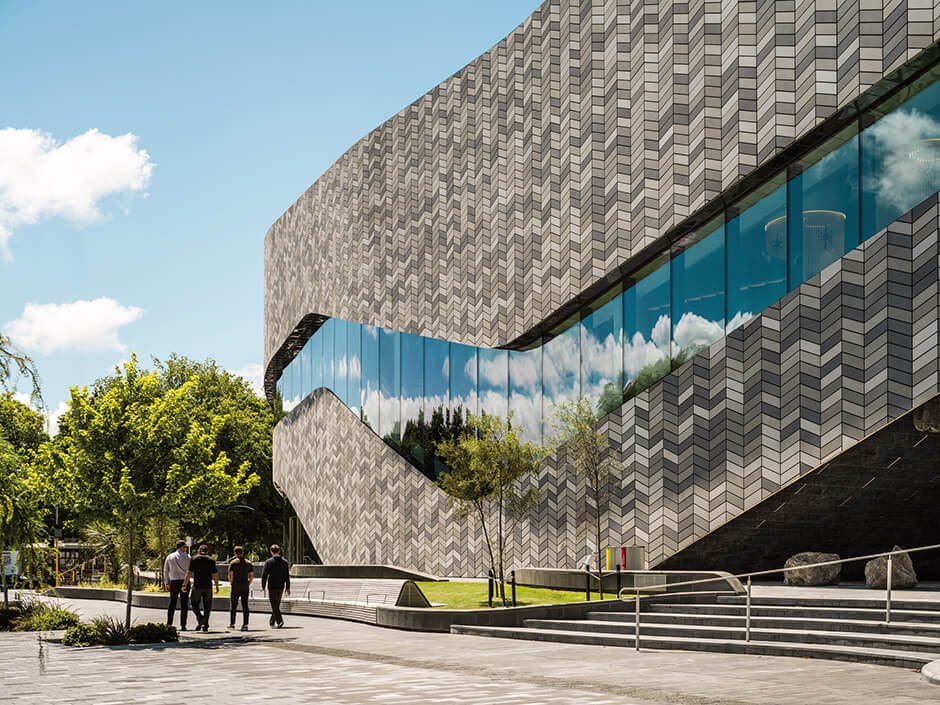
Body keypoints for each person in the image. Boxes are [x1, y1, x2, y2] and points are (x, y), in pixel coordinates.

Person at [182, 544, 219, 632]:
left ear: (199, 550)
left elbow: (189, 572)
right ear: (207, 551)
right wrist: (217, 585)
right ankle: (204, 623)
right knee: (207, 606)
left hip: (197, 586)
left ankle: (201, 619)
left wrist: (184, 584)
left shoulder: (194, 559)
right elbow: (215, 574)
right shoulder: (211, 560)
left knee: (194, 604)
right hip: (208, 586)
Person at [163, 540, 191, 631]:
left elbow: (166, 570)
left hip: (174, 582)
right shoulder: (188, 557)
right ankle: (183, 625)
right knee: (184, 604)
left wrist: (167, 582)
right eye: (185, 547)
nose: (186, 548)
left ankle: (169, 623)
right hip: (184, 582)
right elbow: (190, 570)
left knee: (172, 603)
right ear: (182, 547)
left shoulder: (170, 557)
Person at [261, 544, 290, 628]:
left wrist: (263, 586)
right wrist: (288, 587)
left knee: (274, 604)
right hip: (281, 586)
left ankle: (280, 621)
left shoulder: (268, 562)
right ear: (279, 551)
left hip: (272, 586)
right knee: (276, 604)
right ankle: (272, 621)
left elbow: (264, 575)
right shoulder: (285, 562)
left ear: (271, 552)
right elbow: (287, 576)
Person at [227, 546, 254, 631]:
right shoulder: (248, 563)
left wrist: (231, 582)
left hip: (235, 586)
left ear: (235, 553)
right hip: (245, 586)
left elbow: (230, 574)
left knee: (233, 605)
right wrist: (248, 583)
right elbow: (251, 576)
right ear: (242, 553)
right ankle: (245, 624)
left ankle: (232, 623)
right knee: (245, 605)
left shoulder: (233, 563)